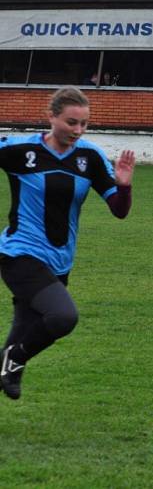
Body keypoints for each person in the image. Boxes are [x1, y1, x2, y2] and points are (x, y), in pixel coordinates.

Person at [0, 86, 135, 400]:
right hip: (19, 254)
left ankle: (10, 360)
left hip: (59, 261)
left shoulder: (90, 156)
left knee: (13, 344)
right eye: (71, 122)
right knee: (63, 317)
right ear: (51, 116)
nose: (78, 130)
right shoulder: (20, 150)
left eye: (84, 123)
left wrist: (124, 187)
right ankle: (16, 360)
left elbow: (119, 210)